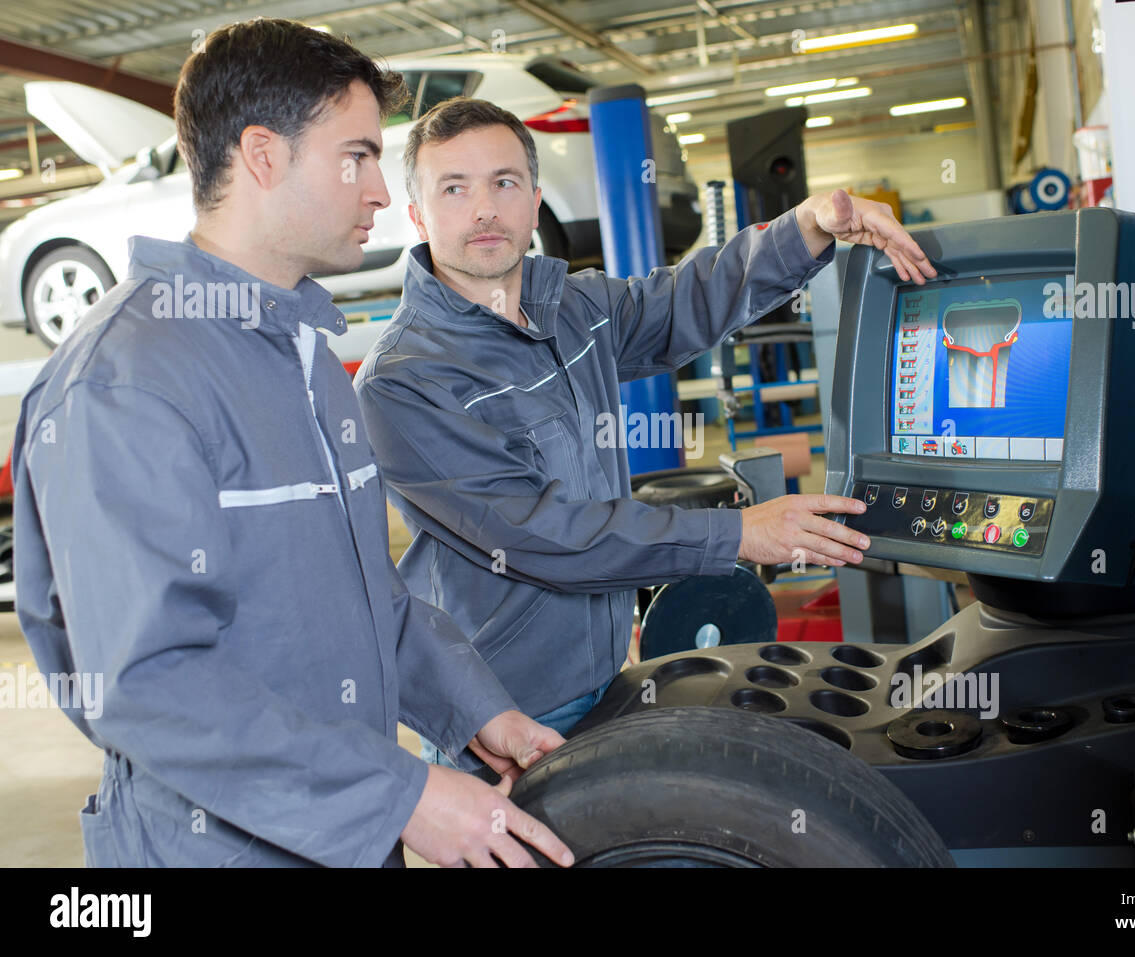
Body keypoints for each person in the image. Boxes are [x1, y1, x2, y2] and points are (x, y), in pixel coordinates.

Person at [12, 20, 572, 869]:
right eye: (356, 157)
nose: (382, 192)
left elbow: (366, 605)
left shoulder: (303, 353)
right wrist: (401, 793)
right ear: (264, 156)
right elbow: (149, 683)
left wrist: (476, 711)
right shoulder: (125, 380)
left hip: (346, 830)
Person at [354, 96, 936, 761]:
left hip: (607, 676)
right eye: (453, 189)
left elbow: (687, 301)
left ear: (535, 199)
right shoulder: (404, 380)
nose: (483, 208)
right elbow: (543, 534)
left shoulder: (572, 307)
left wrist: (809, 225)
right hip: (507, 716)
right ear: (418, 215)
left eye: (503, 182)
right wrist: (739, 533)